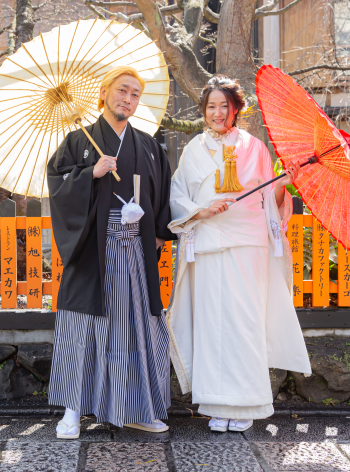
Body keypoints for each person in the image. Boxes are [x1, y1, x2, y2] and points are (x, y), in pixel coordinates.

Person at [167, 75, 311, 432]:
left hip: (247, 244)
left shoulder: (254, 147)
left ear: (236, 109)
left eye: (224, 106)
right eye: (211, 106)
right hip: (207, 242)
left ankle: (247, 402)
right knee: (211, 324)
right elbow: (177, 195)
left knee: (243, 322)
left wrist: (282, 184)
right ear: (204, 110)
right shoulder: (193, 149)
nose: (217, 113)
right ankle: (216, 402)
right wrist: (202, 210)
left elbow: (267, 201)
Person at [47, 66, 175, 439]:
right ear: (104, 93)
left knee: (134, 327)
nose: (129, 99)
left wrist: (155, 232)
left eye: (136, 94)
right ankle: (73, 410)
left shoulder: (149, 146)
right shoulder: (77, 141)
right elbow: (58, 185)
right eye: (123, 91)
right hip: (93, 249)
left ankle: (138, 407)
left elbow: (162, 195)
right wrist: (91, 174)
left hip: (135, 249)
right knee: (84, 327)